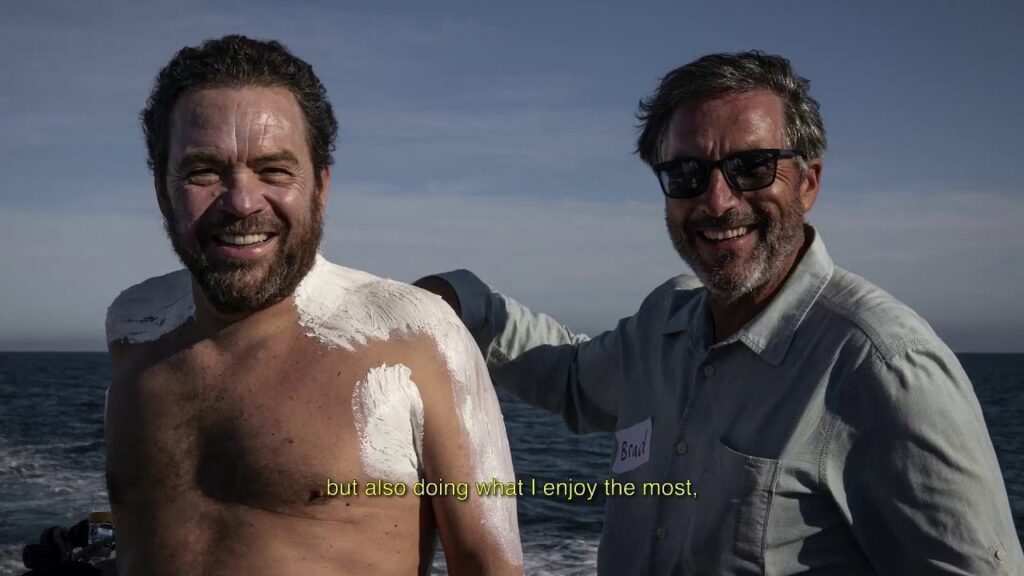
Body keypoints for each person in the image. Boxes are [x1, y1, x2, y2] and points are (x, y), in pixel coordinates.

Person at [416, 51, 1023, 574]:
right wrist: (460, 302)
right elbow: (571, 375)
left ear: (808, 182)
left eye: (751, 167)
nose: (717, 200)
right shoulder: (663, 326)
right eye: (687, 173)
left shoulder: (884, 367)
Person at [104, 35, 522, 576]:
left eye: (274, 170)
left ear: (320, 186)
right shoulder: (135, 325)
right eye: (203, 171)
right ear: (163, 191)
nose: (242, 202)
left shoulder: (416, 338)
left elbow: (489, 565)